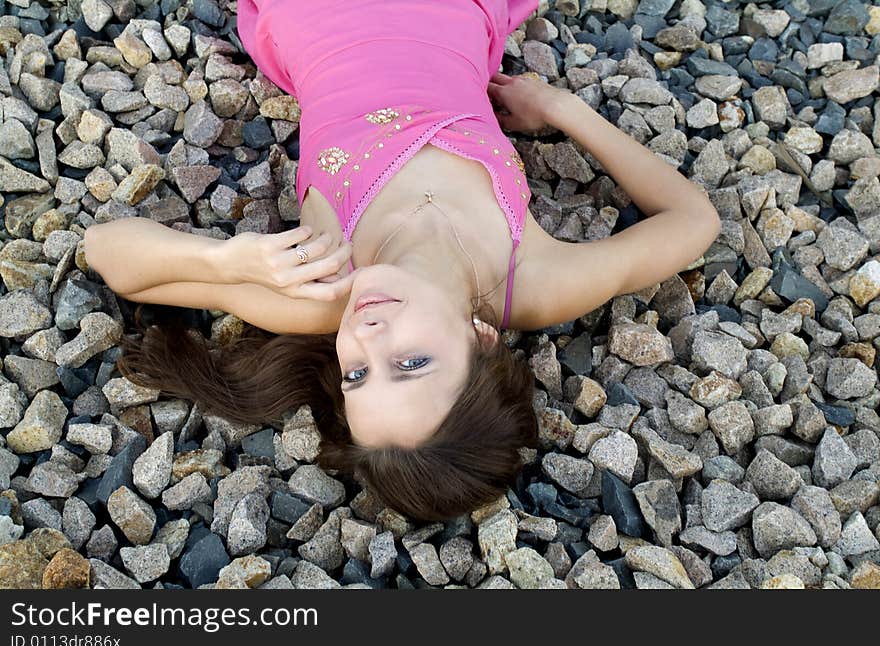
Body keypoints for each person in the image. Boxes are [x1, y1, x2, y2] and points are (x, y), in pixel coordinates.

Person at [83, 1, 721, 522]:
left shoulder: (317, 290)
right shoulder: (538, 282)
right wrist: (562, 110)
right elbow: (695, 223)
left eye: (357, 376)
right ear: (481, 339)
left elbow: (107, 252)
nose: (367, 337)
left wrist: (227, 263)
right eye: (411, 364)